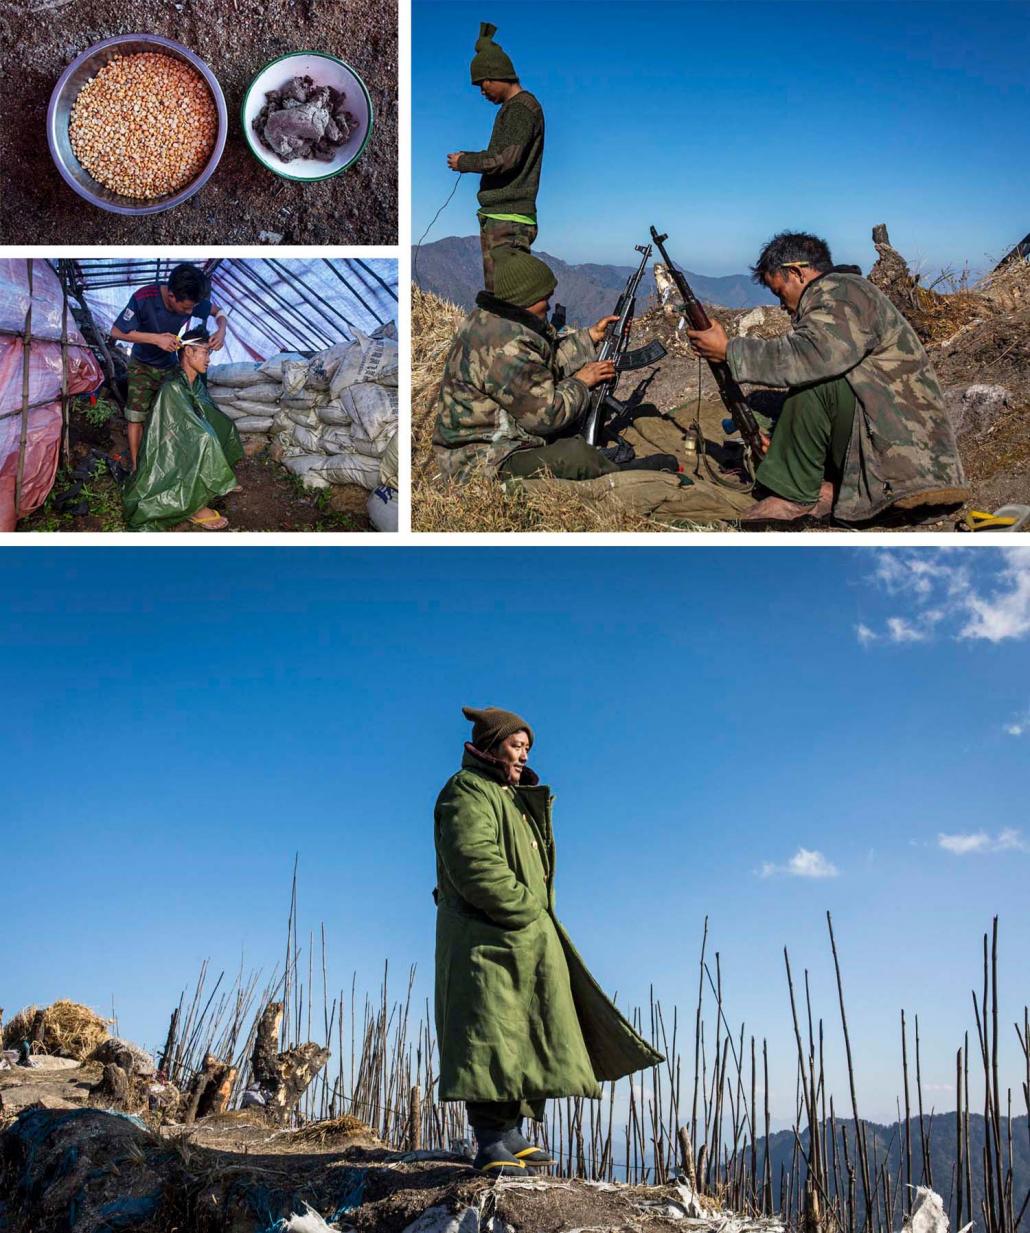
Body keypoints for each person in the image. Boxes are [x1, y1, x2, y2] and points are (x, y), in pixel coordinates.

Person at [434, 706, 662, 1175]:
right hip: (487, 942)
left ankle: (511, 1131)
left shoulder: (509, 797)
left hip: (516, 941)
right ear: (492, 745)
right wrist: (525, 909)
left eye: (526, 749)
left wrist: (533, 921)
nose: (523, 756)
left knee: (522, 1034)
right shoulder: (468, 792)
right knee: (488, 1034)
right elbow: (473, 861)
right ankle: (490, 1138)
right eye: (516, 746)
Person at [685, 231, 968, 527]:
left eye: (780, 292)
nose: (782, 304)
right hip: (891, 442)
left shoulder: (842, 292)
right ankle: (825, 483)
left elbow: (811, 356)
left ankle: (794, 495)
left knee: (815, 379)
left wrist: (729, 351)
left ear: (796, 272)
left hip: (906, 463)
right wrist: (787, 441)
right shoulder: (842, 294)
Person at [433, 250, 677, 481]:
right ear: (525, 299)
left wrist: (590, 337)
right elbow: (548, 416)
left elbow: (538, 368)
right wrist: (582, 382)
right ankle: (629, 474)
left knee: (573, 439)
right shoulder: (506, 347)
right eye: (545, 299)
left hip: (497, 440)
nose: (549, 306)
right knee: (575, 456)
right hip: (482, 462)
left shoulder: (492, 322)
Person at [447, 23, 544, 291]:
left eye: (482, 84)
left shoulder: (522, 109)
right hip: (501, 217)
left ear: (496, 75)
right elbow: (500, 155)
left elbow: (506, 159)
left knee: (508, 294)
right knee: (499, 292)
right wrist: (470, 156)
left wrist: (465, 163)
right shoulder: (515, 108)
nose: (482, 91)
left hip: (509, 219)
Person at [122, 327, 243, 531]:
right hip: (169, 448)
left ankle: (216, 479)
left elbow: (204, 411)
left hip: (182, 438)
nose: (208, 360)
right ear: (188, 352)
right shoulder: (172, 387)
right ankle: (195, 506)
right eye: (205, 353)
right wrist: (203, 433)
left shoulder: (195, 383)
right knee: (205, 437)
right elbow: (174, 426)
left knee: (225, 426)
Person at [110, 263, 227, 470]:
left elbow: (219, 312)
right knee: (136, 415)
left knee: (169, 412)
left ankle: (167, 461)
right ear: (172, 296)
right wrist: (155, 339)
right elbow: (117, 331)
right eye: (186, 309)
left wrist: (222, 330)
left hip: (169, 365)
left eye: (192, 308)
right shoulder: (144, 298)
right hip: (142, 366)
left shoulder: (191, 300)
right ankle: (138, 467)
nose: (190, 312)